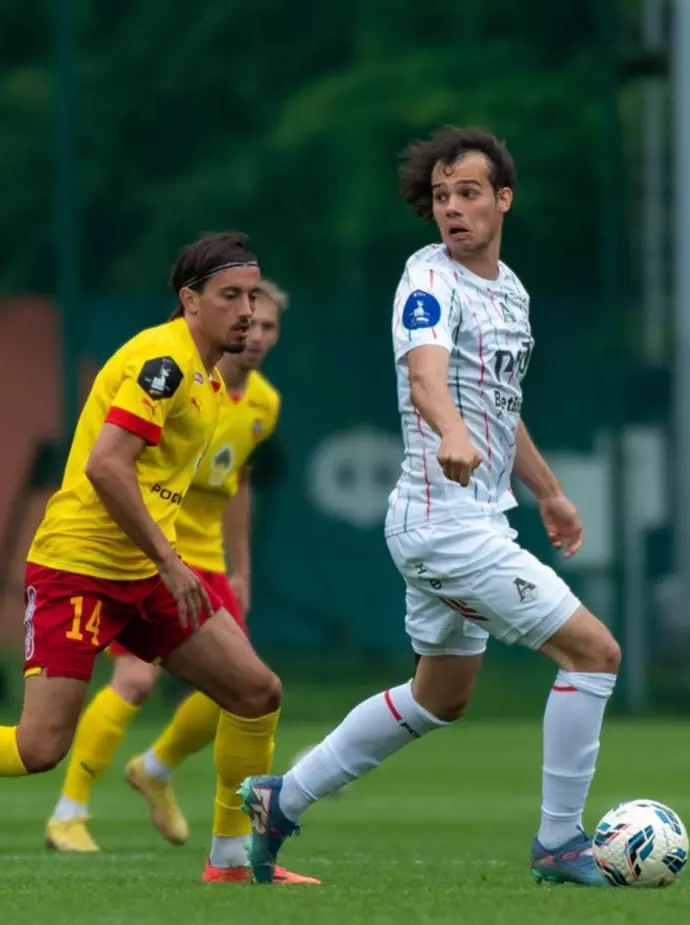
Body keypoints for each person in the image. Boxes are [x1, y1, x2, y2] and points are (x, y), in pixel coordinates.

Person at [0, 232, 289, 876]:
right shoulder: (165, 363)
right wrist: (171, 559)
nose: (246, 312)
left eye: (252, 297)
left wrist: (173, 562)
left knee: (256, 692)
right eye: (230, 296)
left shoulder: (214, 379)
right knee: (38, 747)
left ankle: (233, 860)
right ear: (190, 301)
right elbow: (106, 466)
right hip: (79, 569)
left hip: (143, 572)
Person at [238, 126, 623, 886]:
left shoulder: (511, 292)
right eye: (441, 195)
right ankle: (558, 842)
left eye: (468, 193)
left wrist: (549, 493)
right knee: (595, 654)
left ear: (504, 199)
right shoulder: (428, 280)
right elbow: (426, 379)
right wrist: (448, 429)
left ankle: (283, 798)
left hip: (469, 520)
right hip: (443, 526)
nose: (451, 207)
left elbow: (501, 409)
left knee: (439, 698)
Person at [43, 282, 315, 883]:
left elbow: (236, 484)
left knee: (248, 689)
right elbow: (123, 463)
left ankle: (161, 772)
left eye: (269, 326)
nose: (257, 333)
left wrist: (240, 568)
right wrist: (160, 554)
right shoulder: (179, 377)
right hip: (150, 554)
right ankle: (70, 811)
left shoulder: (262, 404)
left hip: (206, 561)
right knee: (135, 679)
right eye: (250, 320)